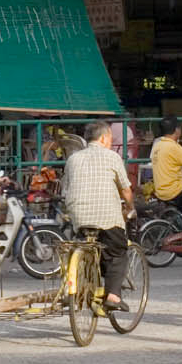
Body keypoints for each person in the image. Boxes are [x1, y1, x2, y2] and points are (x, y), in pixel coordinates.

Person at [63, 120, 134, 312]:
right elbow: (126, 190)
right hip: (107, 217)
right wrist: (130, 207)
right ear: (103, 138)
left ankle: (84, 282)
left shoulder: (73, 159)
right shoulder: (112, 157)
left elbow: (65, 190)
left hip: (80, 217)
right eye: (110, 138)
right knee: (118, 252)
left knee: (84, 242)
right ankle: (113, 296)